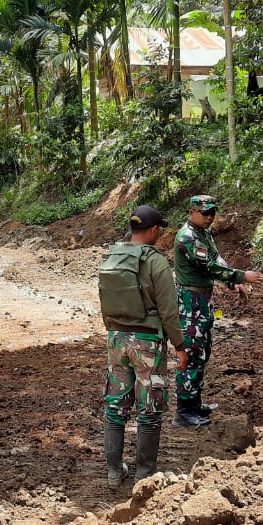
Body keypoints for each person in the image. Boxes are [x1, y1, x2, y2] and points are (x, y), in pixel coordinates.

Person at [98, 205, 188, 488]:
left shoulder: (114, 255)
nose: (160, 233)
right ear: (151, 230)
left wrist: (114, 331)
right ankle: (145, 473)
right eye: (159, 228)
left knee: (115, 404)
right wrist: (180, 345)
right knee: (149, 407)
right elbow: (169, 310)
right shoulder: (155, 261)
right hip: (147, 342)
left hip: (116, 338)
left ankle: (114, 471)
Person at [172, 195, 263, 427]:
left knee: (202, 352)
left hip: (203, 299)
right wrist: (242, 276)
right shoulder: (187, 237)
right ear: (192, 211)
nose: (210, 217)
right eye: (205, 213)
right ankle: (184, 412)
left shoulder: (204, 234)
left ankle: (195, 403)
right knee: (191, 354)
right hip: (190, 301)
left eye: (213, 212)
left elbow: (217, 259)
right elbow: (209, 266)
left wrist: (236, 283)